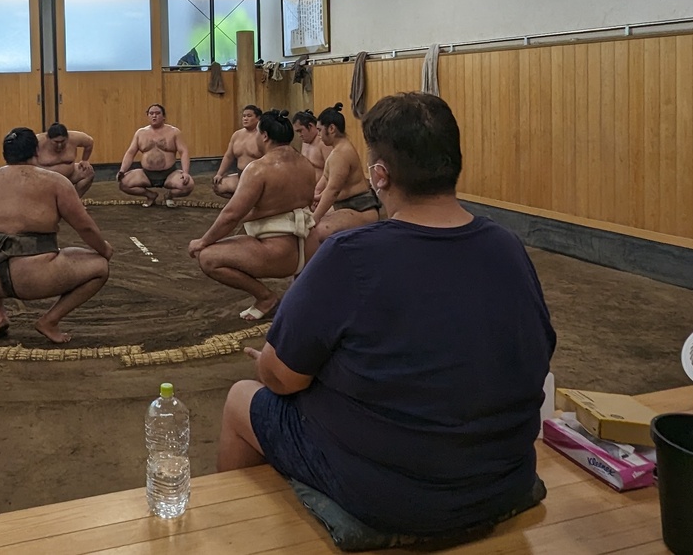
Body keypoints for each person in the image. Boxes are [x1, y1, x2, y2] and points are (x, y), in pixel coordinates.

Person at [216, 92, 556, 543]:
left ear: (379, 175)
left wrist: (268, 364)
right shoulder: (509, 247)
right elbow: (539, 351)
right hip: (505, 475)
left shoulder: (349, 255)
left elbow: (282, 377)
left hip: (391, 497)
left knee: (244, 397)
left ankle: (229, 532)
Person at [0, 128, 114, 344]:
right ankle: (49, 321)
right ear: (36, 151)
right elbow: (85, 228)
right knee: (100, 267)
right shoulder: (55, 181)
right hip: (37, 278)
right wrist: (104, 249)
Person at [189, 110, 317, 321]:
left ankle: (265, 298)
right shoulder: (306, 164)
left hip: (279, 254)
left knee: (208, 258)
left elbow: (231, 214)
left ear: (265, 136)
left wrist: (203, 241)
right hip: (309, 248)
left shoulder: (259, 169)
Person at [305, 103, 380, 256]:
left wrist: (314, 219)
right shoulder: (336, 152)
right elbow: (324, 185)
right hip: (344, 206)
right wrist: (314, 198)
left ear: (331, 129)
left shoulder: (342, 153)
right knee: (305, 222)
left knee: (314, 232)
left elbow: (333, 191)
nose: (318, 135)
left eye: (320, 130)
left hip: (361, 210)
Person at [116, 104, 194, 206]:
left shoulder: (174, 132)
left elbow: (183, 152)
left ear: (164, 116)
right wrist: (122, 170)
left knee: (188, 185)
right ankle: (150, 195)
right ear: (148, 116)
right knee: (124, 184)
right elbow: (130, 153)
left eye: (157, 113)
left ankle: (169, 196)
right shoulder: (140, 133)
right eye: (151, 113)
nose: (154, 116)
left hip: (169, 174)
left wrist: (185, 172)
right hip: (146, 174)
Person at [212, 105, 266, 198]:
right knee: (218, 185)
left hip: (258, 177)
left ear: (258, 118)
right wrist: (219, 173)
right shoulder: (237, 135)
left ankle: (253, 203)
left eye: (249, 116)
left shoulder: (262, 136)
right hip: (240, 175)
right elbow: (228, 156)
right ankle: (242, 202)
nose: (245, 119)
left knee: (253, 193)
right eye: (244, 116)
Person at [36, 123, 96, 196]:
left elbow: (89, 142)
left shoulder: (74, 137)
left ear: (67, 138)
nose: (59, 145)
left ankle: (74, 201)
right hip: (44, 181)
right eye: (56, 142)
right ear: (48, 138)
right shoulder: (37, 141)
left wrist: (85, 160)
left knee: (88, 172)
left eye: (62, 141)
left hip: (69, 176)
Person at [293, 110, 332, 175]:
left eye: (300, 131)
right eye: (297, 132)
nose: (299, 135)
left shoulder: (324, 143)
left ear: (310, 126)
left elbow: (331, 171)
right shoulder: (304, 143)